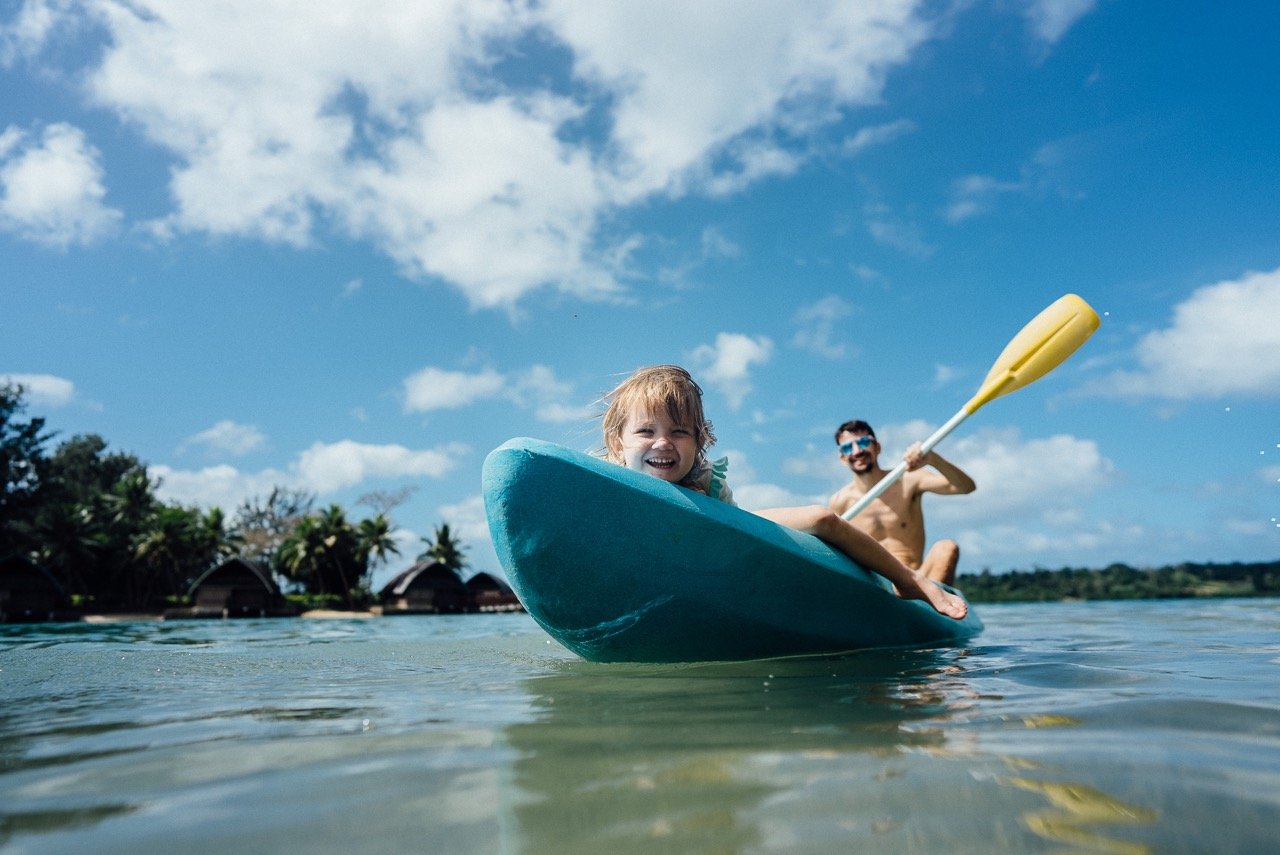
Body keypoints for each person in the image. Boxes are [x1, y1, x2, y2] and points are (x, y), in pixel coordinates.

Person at [600, 365, 967, 620]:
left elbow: (965, 487)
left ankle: (912, 582)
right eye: (646, 431)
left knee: (821, 517)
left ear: (699, 442)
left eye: (679, 432)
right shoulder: (603, 479)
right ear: (618, 445)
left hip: (722, 525)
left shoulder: (708, 481)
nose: (662, 442)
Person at [828, 420, 976, 588]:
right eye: (847, 448)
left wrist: (933, 459)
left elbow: (965, 487)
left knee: (946, 547)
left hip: (917, 580)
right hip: (876, 585)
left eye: (863, 442)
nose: (857, 451)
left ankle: (934, 607)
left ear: (877, 447)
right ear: (842, 458)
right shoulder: (840, 502)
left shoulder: (908, 480)